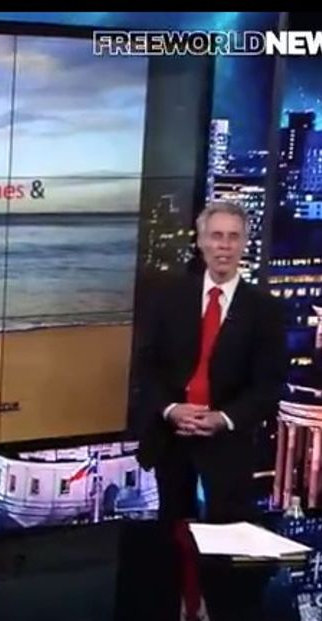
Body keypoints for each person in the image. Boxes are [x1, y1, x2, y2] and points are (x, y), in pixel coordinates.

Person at [134, 201, 287, 522]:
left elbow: (269, 386)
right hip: (172, 440)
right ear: (202, 241)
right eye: (217, 236)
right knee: (173, 535)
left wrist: (223, 418)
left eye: (233, 237)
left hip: (229, 447)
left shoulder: (264, 310)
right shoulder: (169, 297)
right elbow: (146, 366)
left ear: (244, 244)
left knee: (226, 535)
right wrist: (171, 409)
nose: (224, 245)